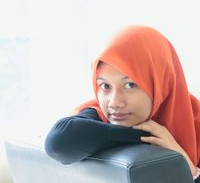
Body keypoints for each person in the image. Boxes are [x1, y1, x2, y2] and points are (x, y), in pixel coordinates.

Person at [45, 25, 200, 182]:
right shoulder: (97, 114)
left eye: (130, 85)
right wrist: (147, 136)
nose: (114, 103)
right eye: (105, 86)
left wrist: (189, 168)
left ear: (160, 82)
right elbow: (58, 143)